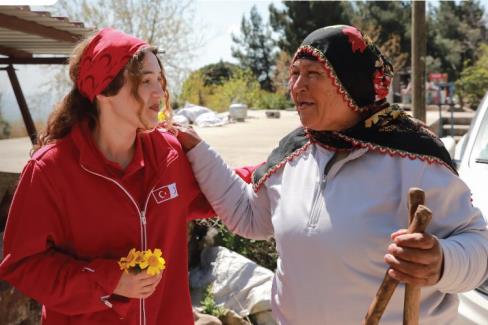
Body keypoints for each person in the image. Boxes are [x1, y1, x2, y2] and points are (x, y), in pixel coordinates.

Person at [176, 25, 488, 324]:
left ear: (351, 83)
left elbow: (479, 248)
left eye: (313, 74)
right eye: (295, 74)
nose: (298, 86)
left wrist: (441, 261)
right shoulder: (294, 152)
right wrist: (197, 149)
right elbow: (248, 217)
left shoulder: (414, 157)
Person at [0, 28, 213, 324]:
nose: (159, 93)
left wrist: (286, 166)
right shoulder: (50, 171)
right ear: (104, 90)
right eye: (145, 81)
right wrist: (108, 280)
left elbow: (221, 192)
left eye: (160, 81)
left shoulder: (168, 155)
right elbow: (23, 264)